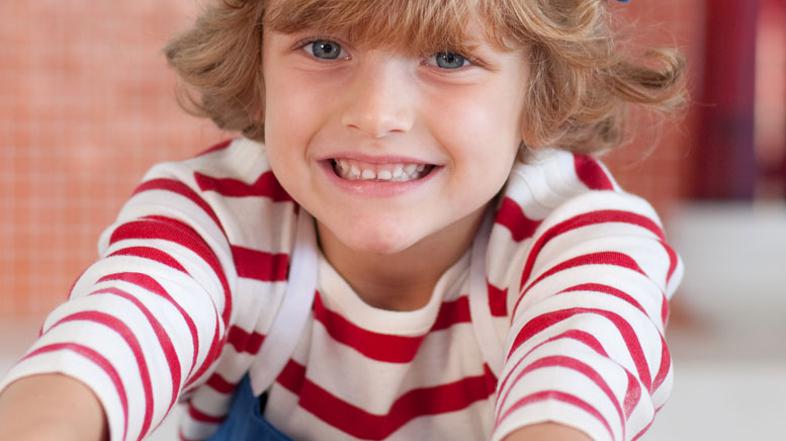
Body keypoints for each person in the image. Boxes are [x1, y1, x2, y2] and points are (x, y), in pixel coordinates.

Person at [0, 0, 686, 440]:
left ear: (541, 92)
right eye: (325, 48)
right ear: (259, 64)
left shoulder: (585, 245)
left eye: (450, 58)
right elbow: (100, 345)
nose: (376, 114)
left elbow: (571, 391)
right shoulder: (216, 218)